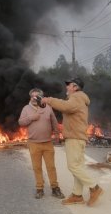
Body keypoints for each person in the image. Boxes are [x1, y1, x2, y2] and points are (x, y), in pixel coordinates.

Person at [41, 77, 103, 207]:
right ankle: (77, 195)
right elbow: (67, 106)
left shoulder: (77, 97)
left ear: (75, 87)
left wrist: (49, 100)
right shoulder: (79, 98)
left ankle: (94, 188)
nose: (66, 87)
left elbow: (66, 106)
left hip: (75, 137)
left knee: (73, 166)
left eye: (68, 85)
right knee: (78, 167)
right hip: (77, 137)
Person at [18, 88, 65, 199]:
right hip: (33, 143)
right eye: (32, 96)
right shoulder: (26, 108)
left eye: (37, 96)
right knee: (37, 167)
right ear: (30, 97)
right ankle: (40, 189)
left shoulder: (48, 107)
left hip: (48, 142)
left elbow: (54, 121)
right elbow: (21, 122)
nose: (34, 98)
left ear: (41, 97)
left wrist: (57, 134)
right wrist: (31, 118)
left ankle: (55, 188)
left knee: (51, 167)